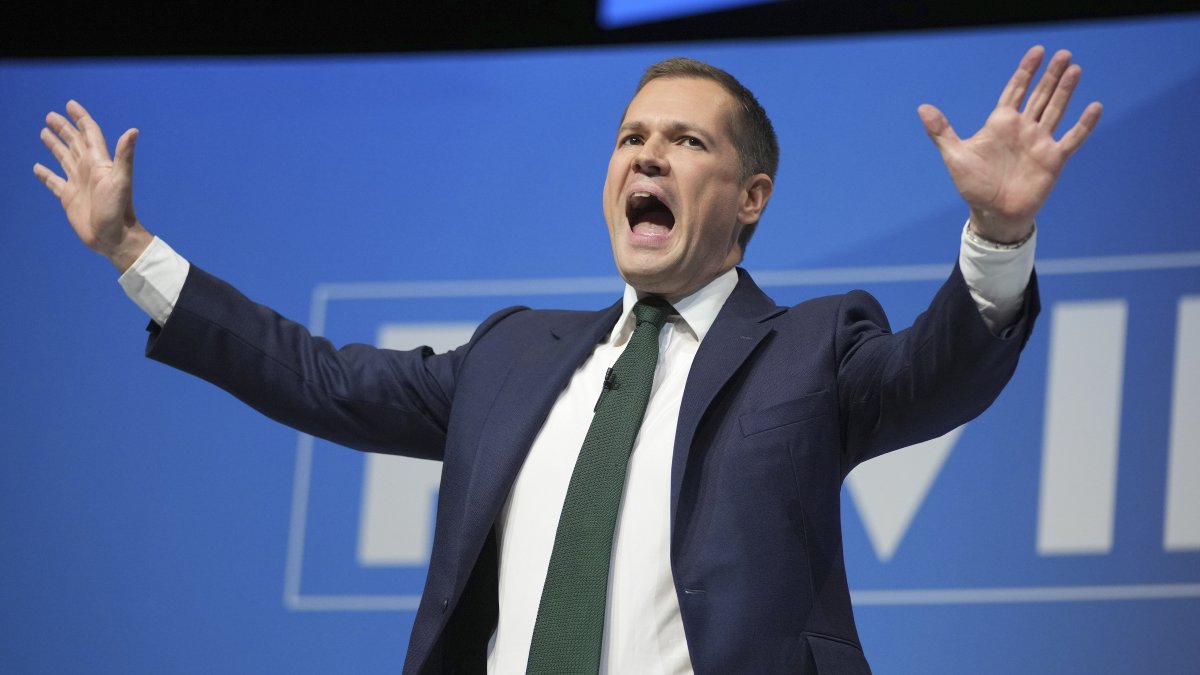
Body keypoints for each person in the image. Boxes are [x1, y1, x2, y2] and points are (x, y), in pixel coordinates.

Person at [35, 47, 1100, 674]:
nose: (646, 154)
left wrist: (998, 240)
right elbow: (318, 377)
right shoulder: (512, 357)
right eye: (632, 136)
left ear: (751, 201)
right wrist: (134, 251)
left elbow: (939, 372)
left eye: (686, 142)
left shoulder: (813, 351)